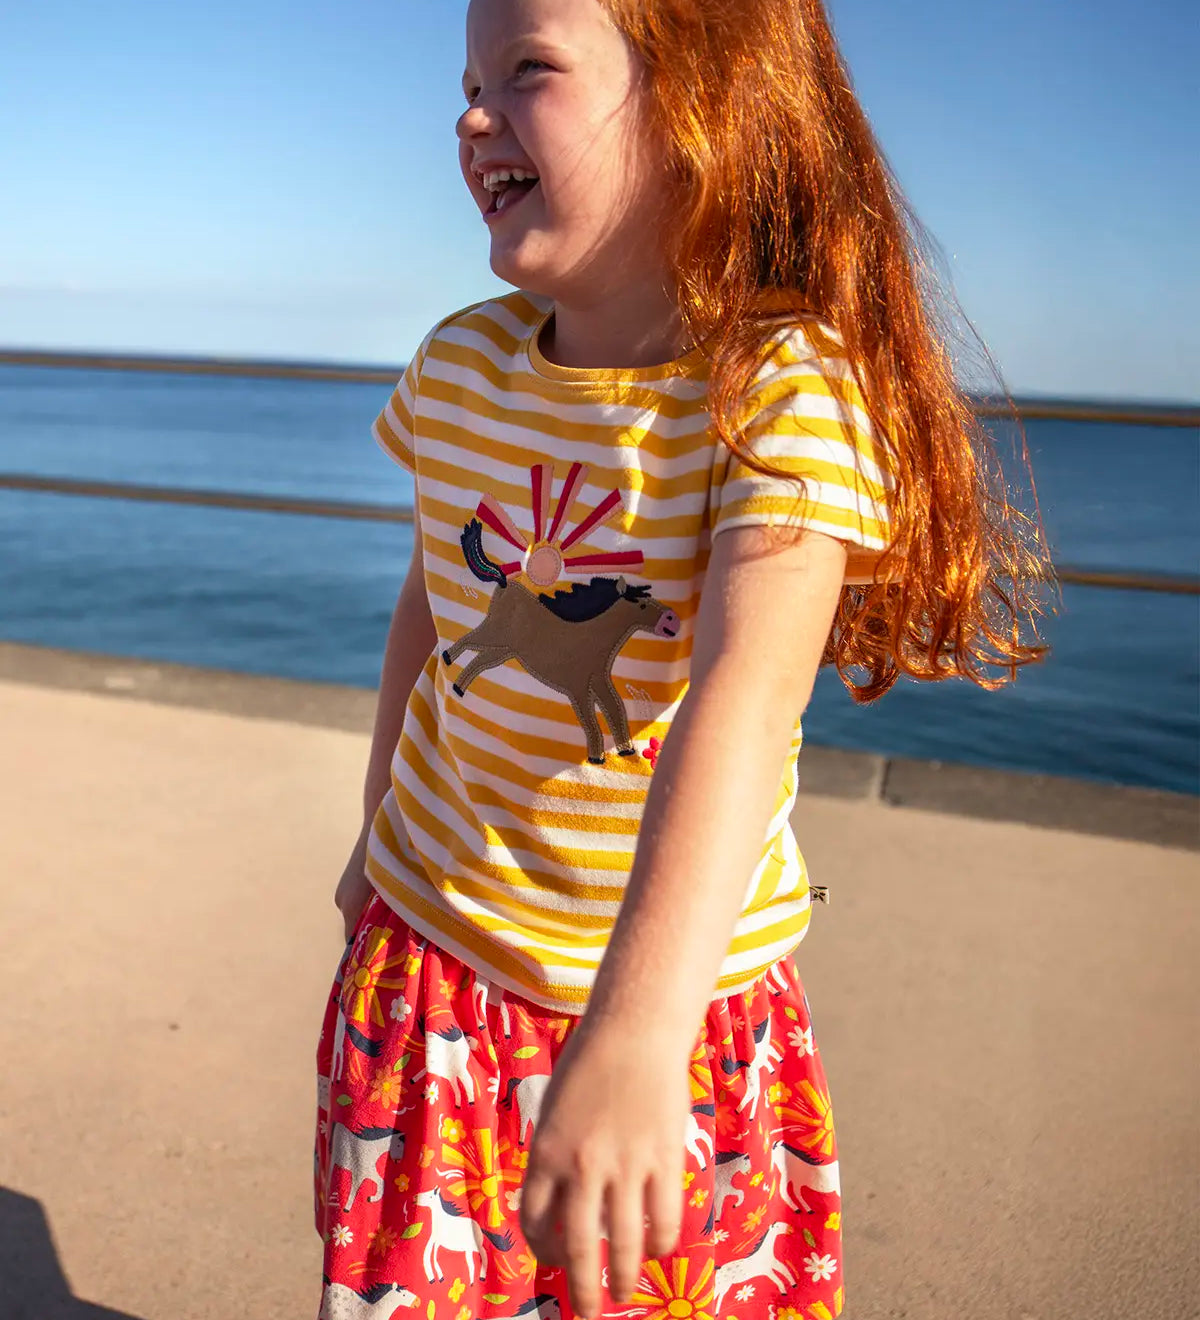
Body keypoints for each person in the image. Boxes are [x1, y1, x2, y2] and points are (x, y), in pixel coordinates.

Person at [313, 1, 1047, 1317]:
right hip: (429, 958)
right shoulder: (461, 366)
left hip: (668, 1000)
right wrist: (378, 828)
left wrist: (639, 1033)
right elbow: (430, 611)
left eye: (525, 70)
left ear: (711, 102)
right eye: (466, 83)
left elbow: (743, 694)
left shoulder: (781, 388)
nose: (473, 115)